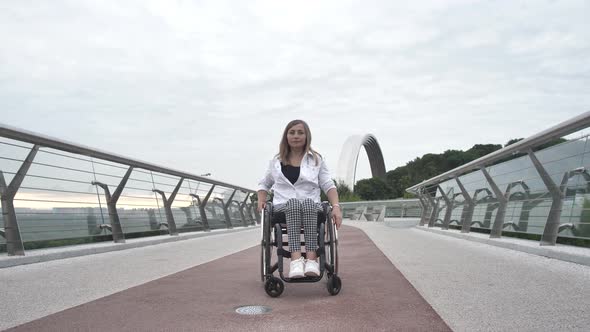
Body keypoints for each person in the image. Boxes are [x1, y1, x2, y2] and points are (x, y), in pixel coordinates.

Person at [257, 119, 343, 279]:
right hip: (283, 207)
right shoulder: (276, 162)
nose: (296, 136)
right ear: (286, 136)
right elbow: (264, 184)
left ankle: (311, 260)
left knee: (308, 204)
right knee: (294, 203)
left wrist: (336, 206)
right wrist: (261, 199)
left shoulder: (316, 159)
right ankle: (296, 260)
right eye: (292, 132)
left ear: (306, 136)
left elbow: (327, 184)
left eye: (300, 132)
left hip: (312, 207)